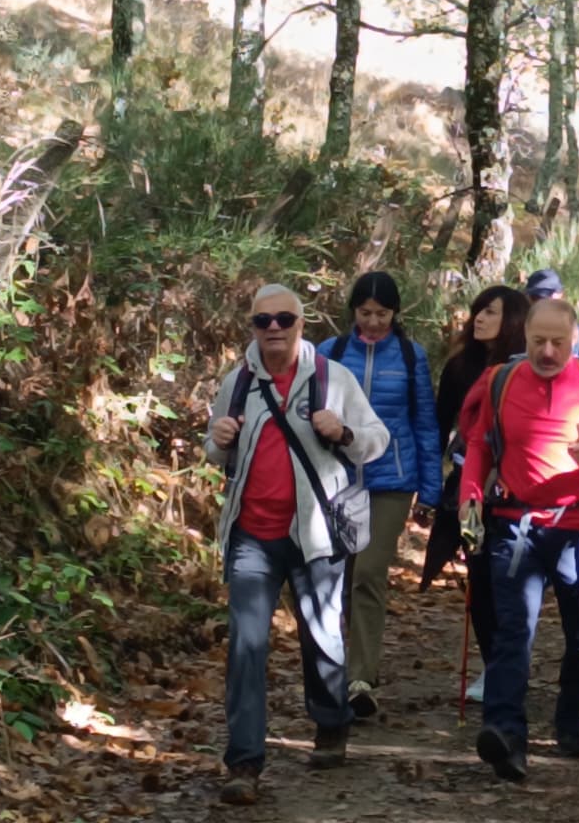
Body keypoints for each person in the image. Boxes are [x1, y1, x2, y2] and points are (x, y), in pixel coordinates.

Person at [204, 284, 390, 805]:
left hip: (317, 533)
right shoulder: (237, 382)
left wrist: (344, 432)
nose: (274, 329)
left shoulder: (334, 378)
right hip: (252, 535)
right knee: (246, 646)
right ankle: (244, 762)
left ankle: (331, 722)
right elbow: (216, 449)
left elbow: (376, 439)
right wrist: (217, 440)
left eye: (284, 319)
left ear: (301, 324)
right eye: (263, 321)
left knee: (322, 637)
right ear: (252, 326)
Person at [458, 299, 579, 782]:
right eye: (537, 341)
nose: (546, 351)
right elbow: (479, 444)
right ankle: (505, 735)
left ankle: (571, 719)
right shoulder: (501, 381)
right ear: (524, 338)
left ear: (574, 340)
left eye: (557, 343)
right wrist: (470, 496)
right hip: (516, 524)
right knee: (512, 632)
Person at [320, 272, 441, 720]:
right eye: (365, 312)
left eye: (382, 314)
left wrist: (430, 491)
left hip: (392, 481)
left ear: (395, 314)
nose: (373, 322)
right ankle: (336, 667)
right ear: (353, 311)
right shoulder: (329, 353)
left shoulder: (411, 357)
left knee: (369, 574)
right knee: (338, 578)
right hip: (336, 481)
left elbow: (424, 423)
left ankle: (361, 679)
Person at [422, 285, 530, 703]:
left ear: (513, 320)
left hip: (516, 493)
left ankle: (509, 664)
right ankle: (493, 667)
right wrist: (431, 488)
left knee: (510, 583)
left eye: (490, 312)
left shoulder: (527, 369)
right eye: (477, 311)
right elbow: (439, 425)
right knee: (479, 577)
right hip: (468, 493)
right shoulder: (460, 367)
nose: (479, 319)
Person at [525, 268, 579, 356]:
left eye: (545, 298)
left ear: (560, 295)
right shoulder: (521, 331)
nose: (540, 304)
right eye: (535, 298)